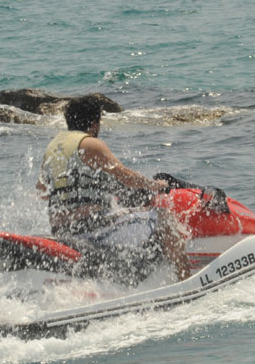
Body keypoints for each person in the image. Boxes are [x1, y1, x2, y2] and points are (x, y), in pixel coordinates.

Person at [37, 95, 191, 281]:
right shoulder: (89, 143)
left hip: (61, 230)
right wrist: (155, 185)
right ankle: (186, 282)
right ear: (94, 124)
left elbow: (42, 191)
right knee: (163, 216)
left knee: (132, 214)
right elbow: (126, 176)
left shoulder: (53, 147)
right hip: (92, 228)